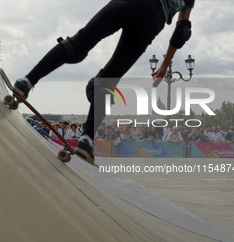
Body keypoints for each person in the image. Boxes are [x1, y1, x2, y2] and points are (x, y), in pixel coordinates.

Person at [11, 0, 195, 163]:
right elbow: (182, 31)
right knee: (110, 77)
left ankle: (27, 81)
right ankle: (87, 139)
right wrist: (164, 65)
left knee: (79, 43)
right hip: (153, 21)